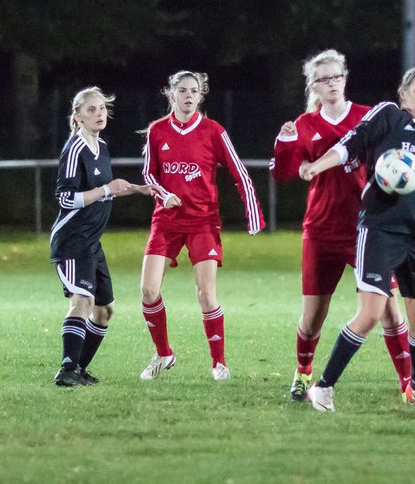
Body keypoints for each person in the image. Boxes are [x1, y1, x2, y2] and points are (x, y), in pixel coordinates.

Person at [298, 64, 415, 412]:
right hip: (379, 229)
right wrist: (317, 166)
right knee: (370, 314)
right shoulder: (388, 116)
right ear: (402, 94)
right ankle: (322, 388)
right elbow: (350, 144)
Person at [270, 49, 412, 402]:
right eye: (323, 79)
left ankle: (409, 384)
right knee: (313, 316)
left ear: (345, 79)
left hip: (368, 229)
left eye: (336, 77)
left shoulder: (367, 117)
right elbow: (284, 174)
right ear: (313, 86)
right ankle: (303, 372)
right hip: (321, 230)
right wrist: (285, 145)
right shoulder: (303, 126)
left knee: (390, 311)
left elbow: (394, 157)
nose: (331, 84)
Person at [138, 70, 265, 381]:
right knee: (148, 290)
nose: (188, 95)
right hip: (166, 221)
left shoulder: (213, 131)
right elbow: (149, 175)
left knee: (206, 294)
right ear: (171, 95)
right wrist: (164, 195)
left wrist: (253, 213)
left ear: (200, 95)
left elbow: (240, 173)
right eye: (182, 90)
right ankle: (164, 354)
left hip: (202, 222)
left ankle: (218, 362)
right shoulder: (157, 132)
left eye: (194, 90)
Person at [50, 87, 152, 387]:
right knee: (83, 300)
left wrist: (137, 189)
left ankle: (78, 369)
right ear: (77, 116)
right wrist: (107, 190)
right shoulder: (75, 148)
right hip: (71, 240)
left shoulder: (101, 146)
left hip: (92, 243)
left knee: (105, 310)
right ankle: (67, 368)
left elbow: (105, 189)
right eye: (91, 110)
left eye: (102, 109)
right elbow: (65, 198)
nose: (98, 114)